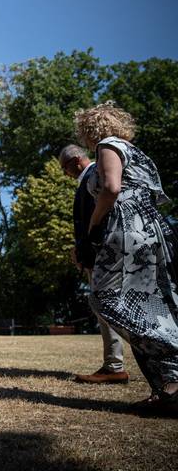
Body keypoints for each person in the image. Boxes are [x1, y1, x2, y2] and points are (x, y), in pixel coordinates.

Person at [75, 103, 178, 410]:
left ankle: (172, 352)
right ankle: (168, 389)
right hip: (153, 232)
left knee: (106, 298)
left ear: (91, 129)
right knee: (153, 304)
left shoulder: (108, 145)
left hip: (127, 232)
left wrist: (94, 227)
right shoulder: (138, 153)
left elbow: (110, 188)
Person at [59, 144, 129, 384]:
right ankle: (115, 363)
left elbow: (98, 217)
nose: (65, 173)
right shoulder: (91, 177)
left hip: (103, 254)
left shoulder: (93, 176)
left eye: (64, 168)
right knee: (108, 306)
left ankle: (114, 365)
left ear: (76, 160)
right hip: (102, 252)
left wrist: (87, 247)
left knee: (105, 306)